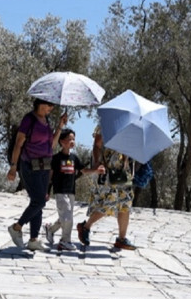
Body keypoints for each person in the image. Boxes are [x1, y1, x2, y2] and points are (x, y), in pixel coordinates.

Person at [7, 98, 68, 251]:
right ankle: (16, 227)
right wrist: (13, 167)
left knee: (38, 202)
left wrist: (59, 127)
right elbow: (18, 143)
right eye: (50, 105)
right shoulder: (29, 120)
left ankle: (33, 239)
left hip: (44, 167)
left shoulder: (46, 121)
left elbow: (51, 146)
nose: (52, 108)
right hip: (29, 166)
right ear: (40, 104)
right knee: (39, 201)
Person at [76, 125, 137, 250]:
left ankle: (121, 238)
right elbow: (97, 146)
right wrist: (97, 164)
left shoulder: (128, 129)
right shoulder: (105, 125)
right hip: (107, 172)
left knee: (125, 204)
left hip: (123, 173)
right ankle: (86, 227)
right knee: (109, 203)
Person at [43, 128, 105, 251]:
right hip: (60, 191)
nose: (72, 141)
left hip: (71, 192)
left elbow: (84, 171)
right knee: (68, 218)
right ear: (61, 141)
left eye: (73, 139)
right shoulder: (55, 159)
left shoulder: (74, 158)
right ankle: (65, 241)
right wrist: (47, 190)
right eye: (69, 139)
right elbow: (50, 176)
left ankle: (50, 230)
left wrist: (96, 171)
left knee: (64, 217)